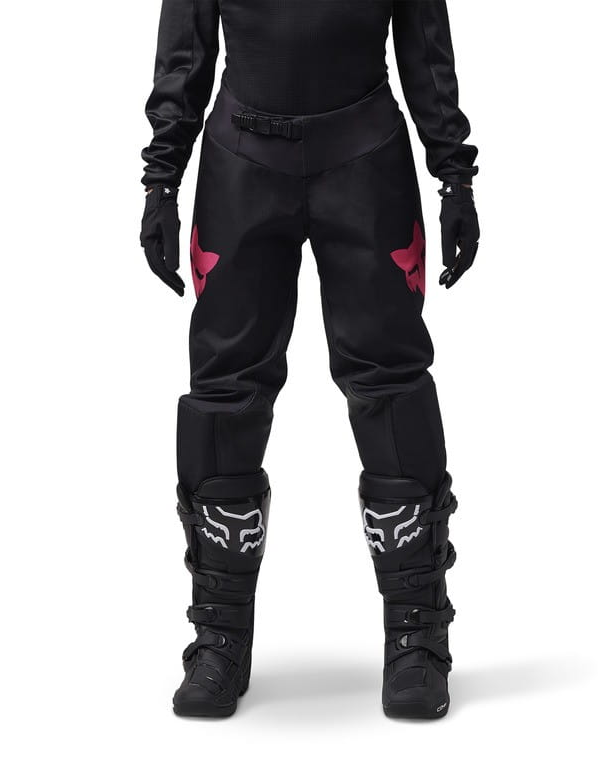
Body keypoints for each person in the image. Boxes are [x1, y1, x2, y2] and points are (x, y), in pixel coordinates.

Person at [140, 0, 479, 720]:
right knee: (224, 390)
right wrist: (160, 180)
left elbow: (425, 43)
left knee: (390, 381)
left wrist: (455, 175)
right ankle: (219, 637)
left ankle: (417, 636)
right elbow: (185, 48)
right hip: (241, 163)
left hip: (366, 161)